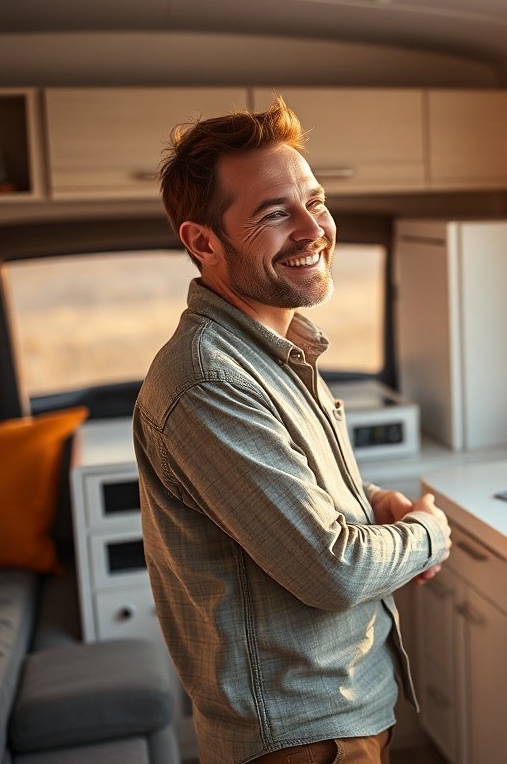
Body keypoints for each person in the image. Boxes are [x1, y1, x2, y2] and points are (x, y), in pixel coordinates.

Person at [132, 97, 452, 764]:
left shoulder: (273, 344)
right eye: (274, 213)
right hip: (303, 736)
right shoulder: (208, 380)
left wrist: (374, 505)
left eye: (316, 200)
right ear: (203, 242)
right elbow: (333, 571)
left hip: (335, 717)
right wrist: (427, 532)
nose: (314, 229)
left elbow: (299, 491)